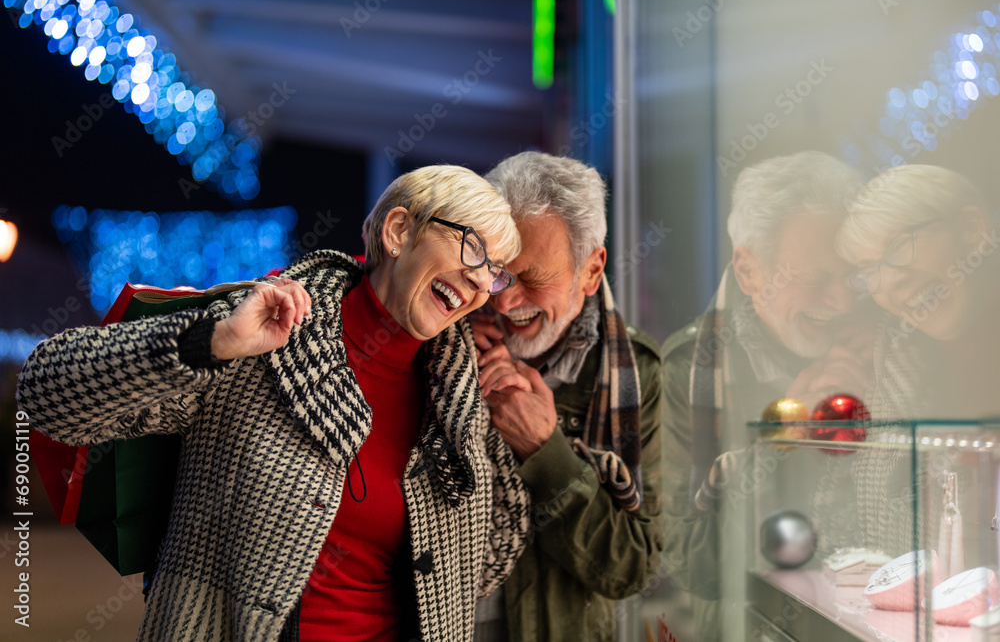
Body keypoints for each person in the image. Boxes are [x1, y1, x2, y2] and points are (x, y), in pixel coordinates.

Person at [17, 165, 532, 642]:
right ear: (399, 231)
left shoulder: (463, 401)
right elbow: (45, 393)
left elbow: (492, 547)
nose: (481, 282)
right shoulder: (259, 328)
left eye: (496, 270)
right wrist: (213, 342)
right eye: (471, 247)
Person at [657, 151, 871, 641]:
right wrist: (786, 430)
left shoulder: (878, 339)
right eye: (816, 279)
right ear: (750, 273)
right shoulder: (690, 368)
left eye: (850, 277)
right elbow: (692, 564)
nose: (841, 301)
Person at [469, 152, 664, 642]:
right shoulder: (440, 339)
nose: (503, 300)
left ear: (591, 271)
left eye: (533, 278)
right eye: (495, 271)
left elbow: (632, 567)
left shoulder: (634, 373)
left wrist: (545, 451)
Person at [835, 164, 1000, 564]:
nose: (889, 283)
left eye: (896, 248)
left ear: (972, 230)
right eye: (867, 270)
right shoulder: (882, 374)